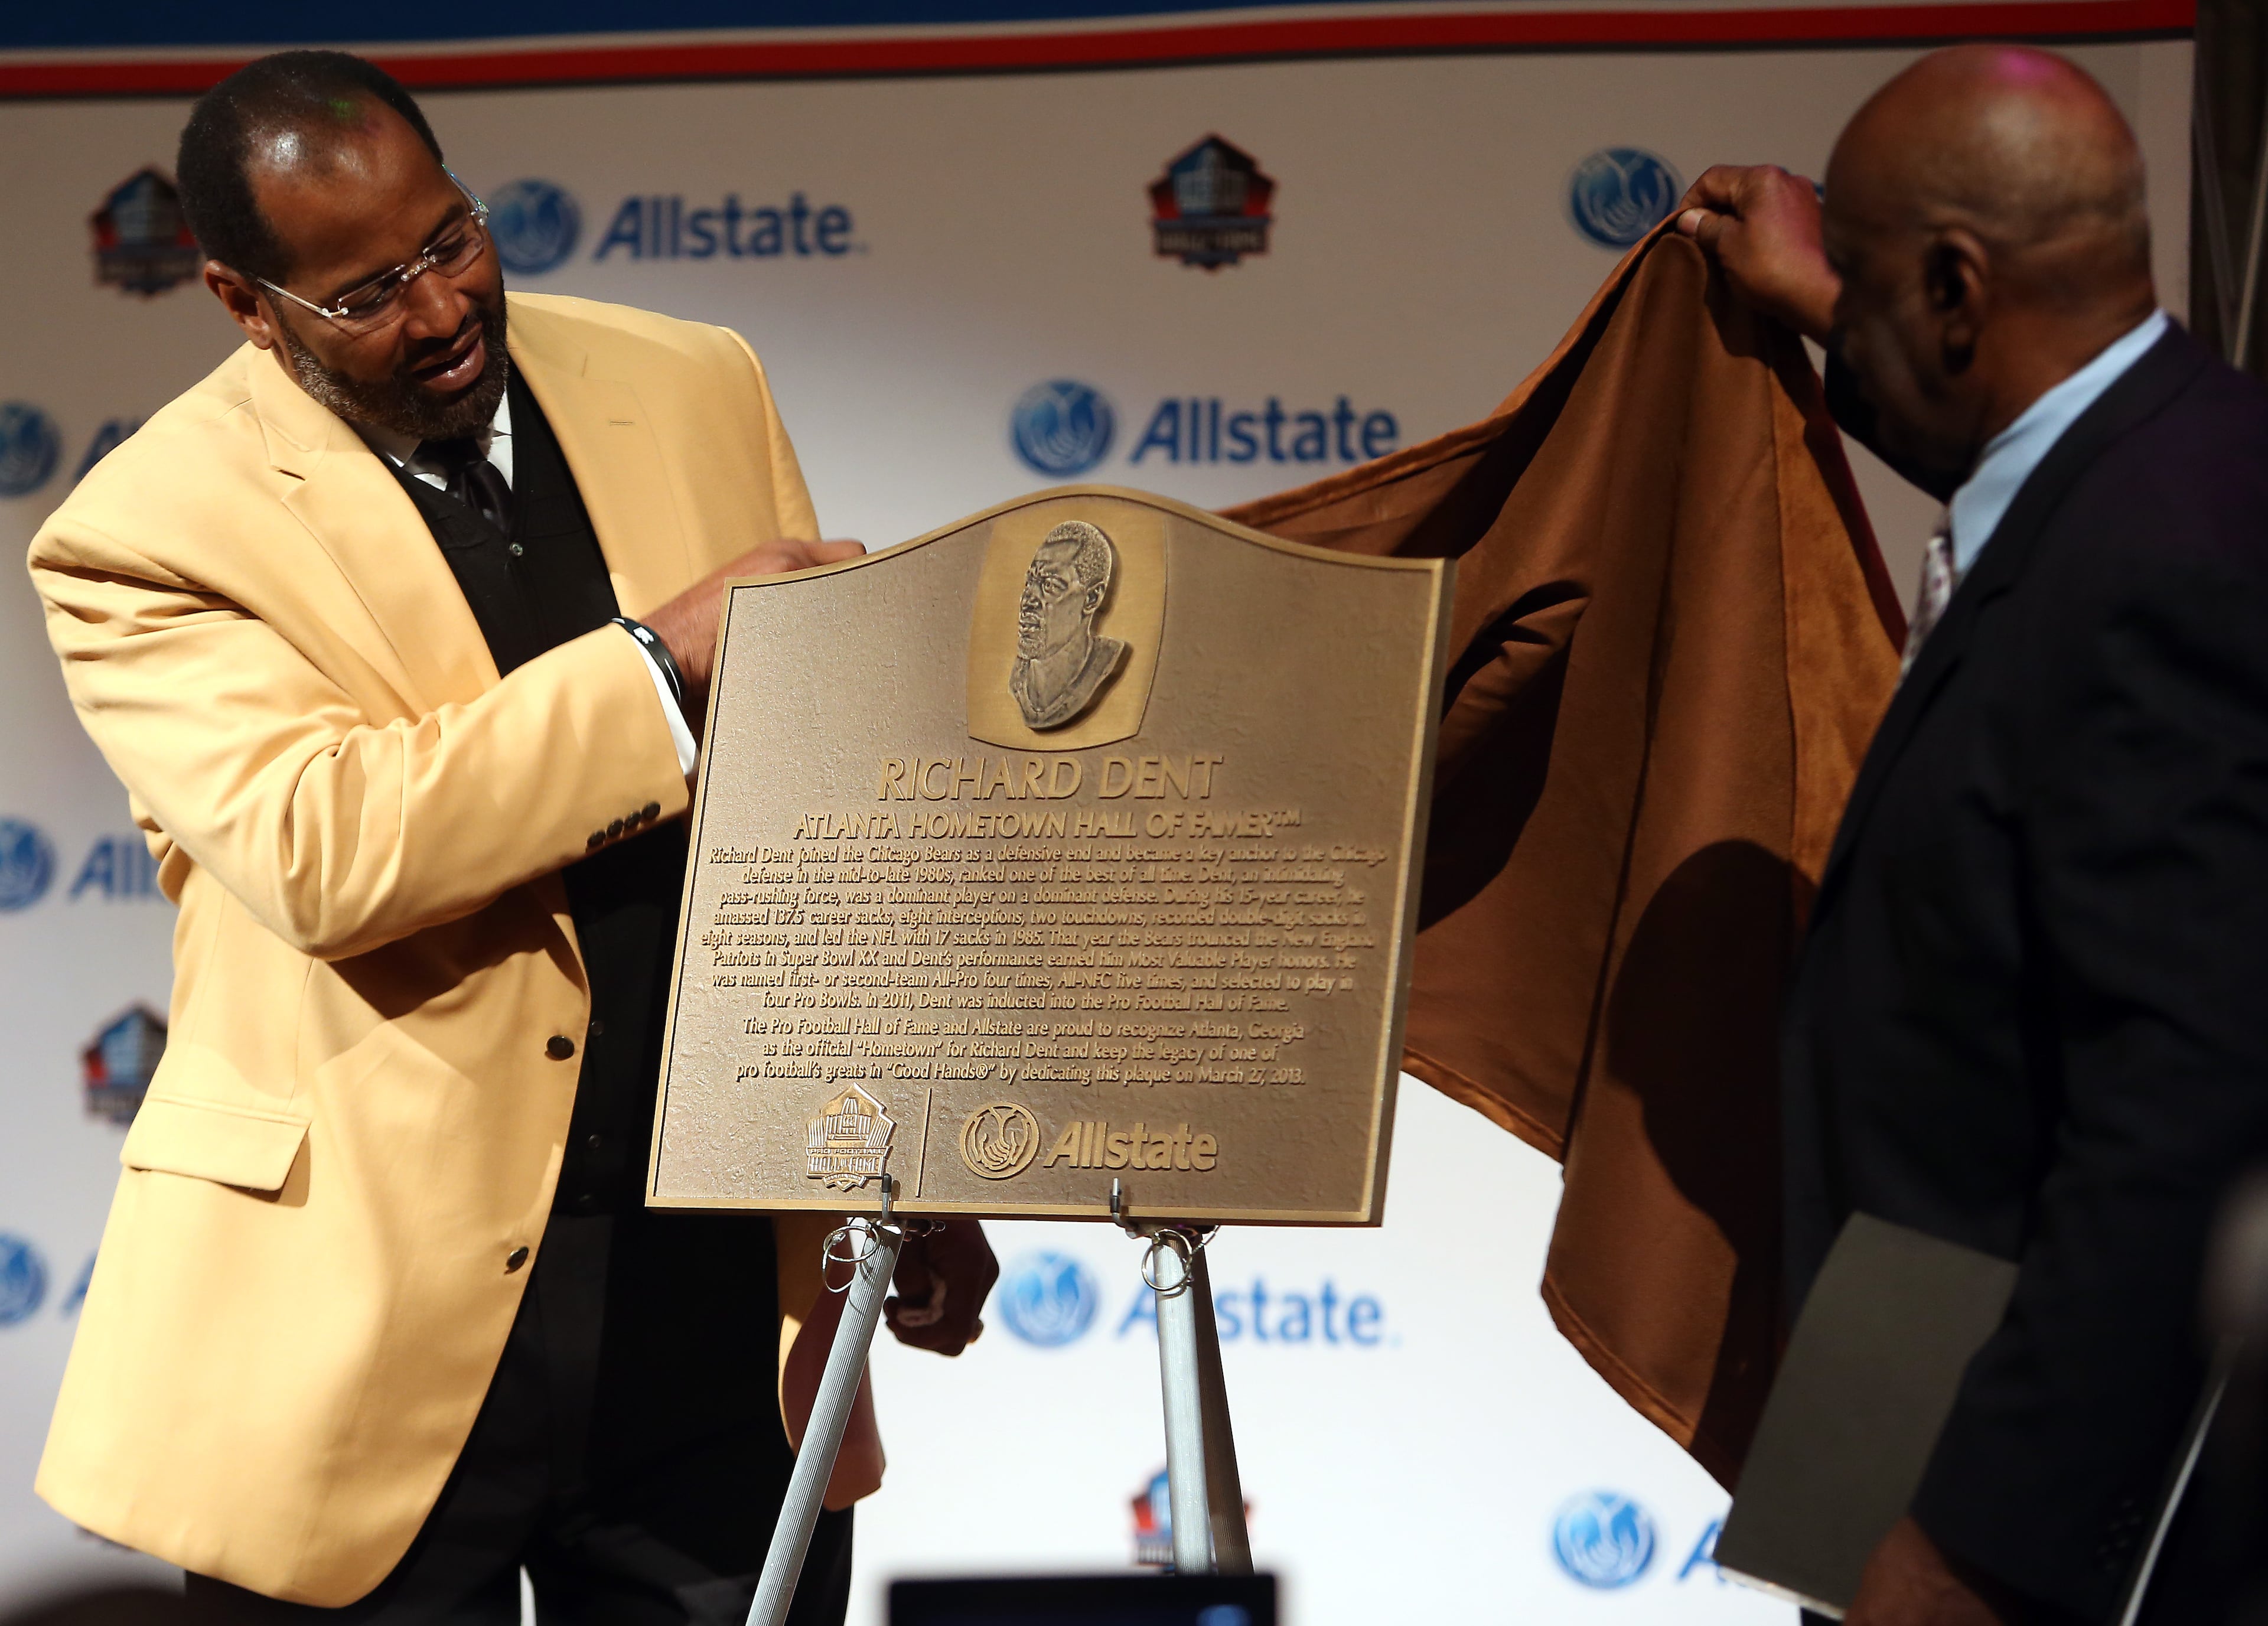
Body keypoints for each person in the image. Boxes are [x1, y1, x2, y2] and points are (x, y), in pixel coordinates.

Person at [26, 51, 996, 1624]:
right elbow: (326, 847)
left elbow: (824, 809)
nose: (439, 308)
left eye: (450, 240)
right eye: (363, 293)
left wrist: (914, 1163)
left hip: (705, 1311)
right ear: (240, 299)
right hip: (358, 1332)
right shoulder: (146, 532)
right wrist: (660, 666)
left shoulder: (696, 380)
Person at [1677, 44, 2268, 1626]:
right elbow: (2032, 489)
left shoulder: (2176, 559)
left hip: (1996, 1443)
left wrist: (1984, 1542)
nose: (1843, 316)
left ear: (1954, 287)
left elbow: (2183, 1110)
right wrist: (1821, 306)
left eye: (1863, 285)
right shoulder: (2155, 463)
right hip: (1891, 1345)